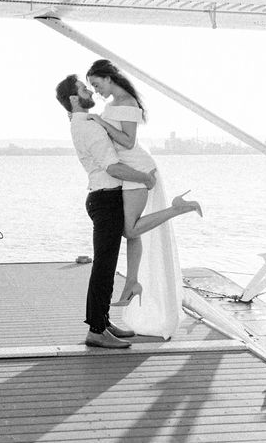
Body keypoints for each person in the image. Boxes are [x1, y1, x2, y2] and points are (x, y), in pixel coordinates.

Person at [55, 74, 198, 347]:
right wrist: (144, 178)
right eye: (85, 89)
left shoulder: (85, 122)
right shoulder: (88, 126)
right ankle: (96, 330)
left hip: (106, 197)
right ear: (74, 99)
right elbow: (112, 167)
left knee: (108, 263)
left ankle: (104, 322)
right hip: (105, 199)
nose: (90, 92)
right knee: (104, 268)